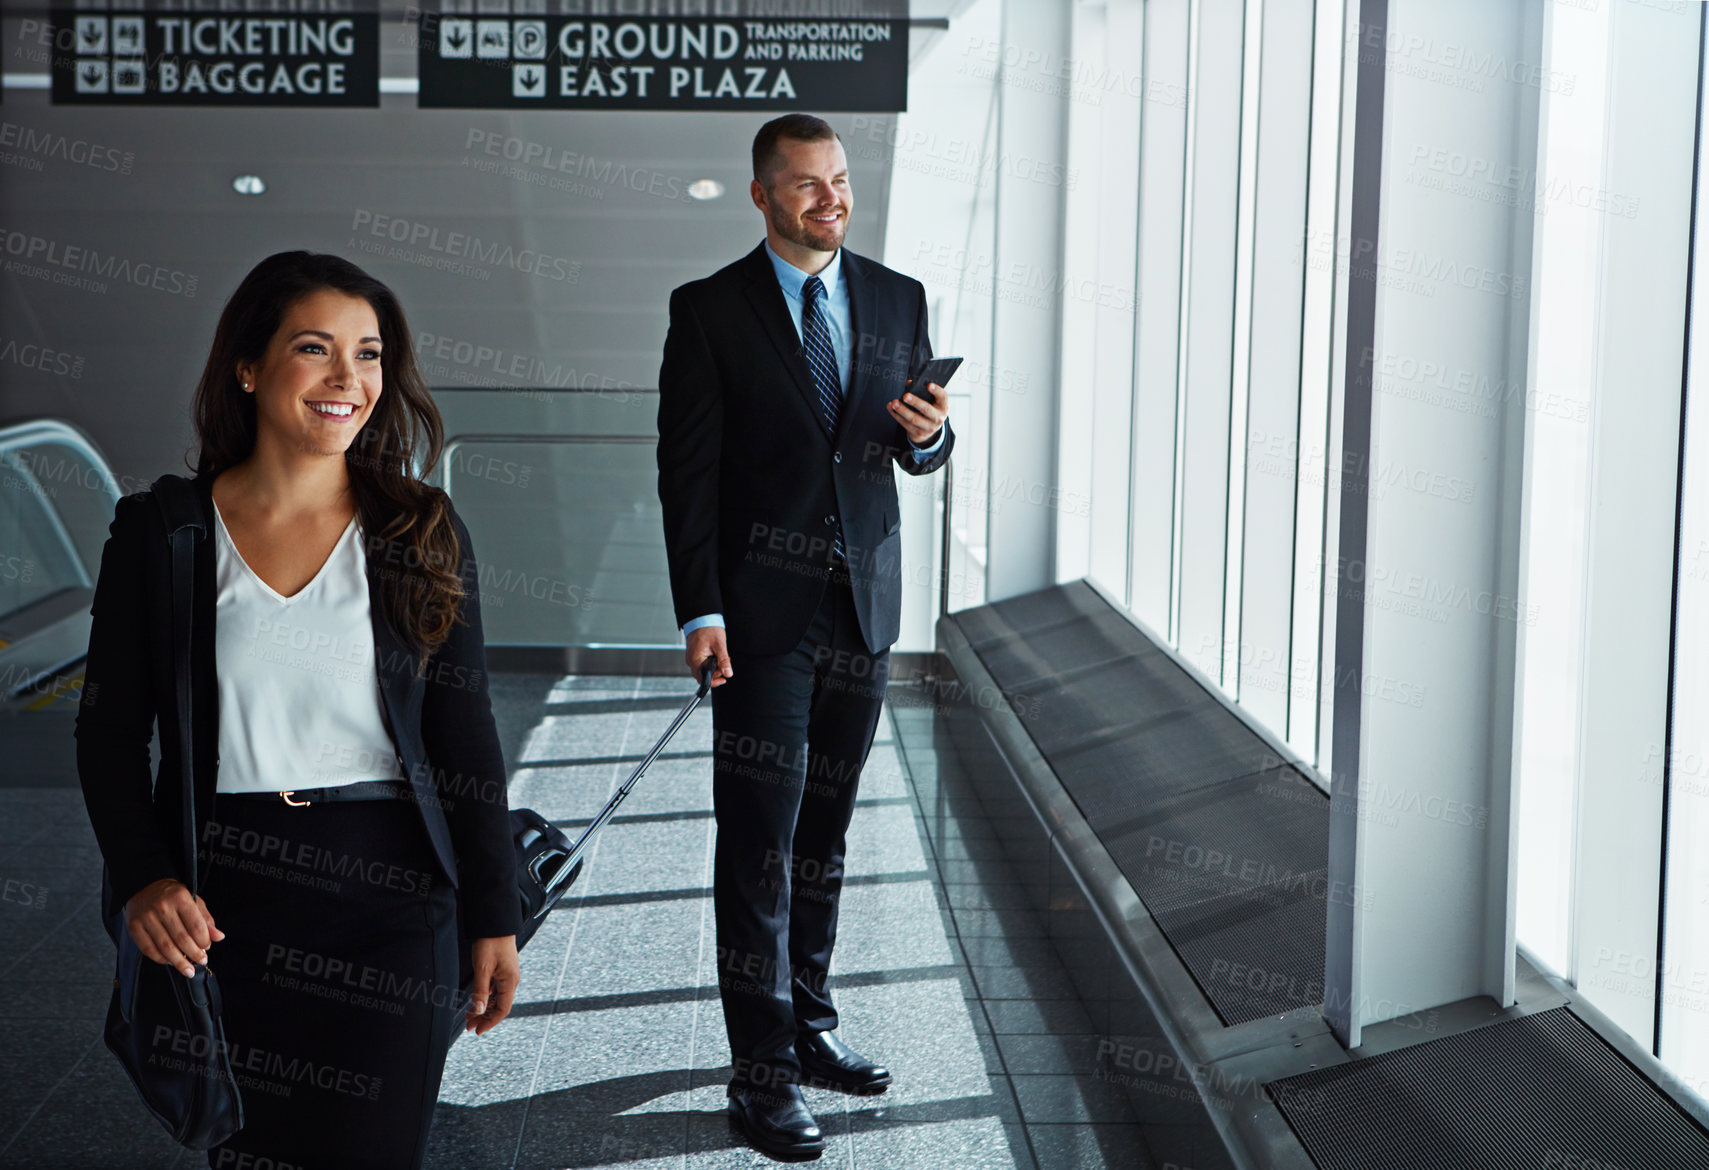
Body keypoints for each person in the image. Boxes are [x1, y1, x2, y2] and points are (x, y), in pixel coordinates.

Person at [75, 250, 520, 1170]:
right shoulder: (162, 533)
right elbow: (111, 735)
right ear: (248, 365)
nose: (346, 380)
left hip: (394, 896)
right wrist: (146, 878)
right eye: (315, 349)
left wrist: (492, 911)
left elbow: (462, 733)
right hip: (225, 894)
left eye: (368, 355)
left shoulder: (417, 528)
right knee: (253, 1154)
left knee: (373, 1148)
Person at [656, 113, 954, 1160]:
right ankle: (762, 1072)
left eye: (837, 181)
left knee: (824, 835)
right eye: (805, 185)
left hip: (860, 613)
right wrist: (699, 610)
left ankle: (809, 1026)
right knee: (758, 845)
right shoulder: (707, 313)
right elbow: (686, 477)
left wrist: (934, 439)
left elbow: (909, 445)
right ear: (761, 195)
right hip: (759, 623)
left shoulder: (895, 297)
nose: (830, 199)